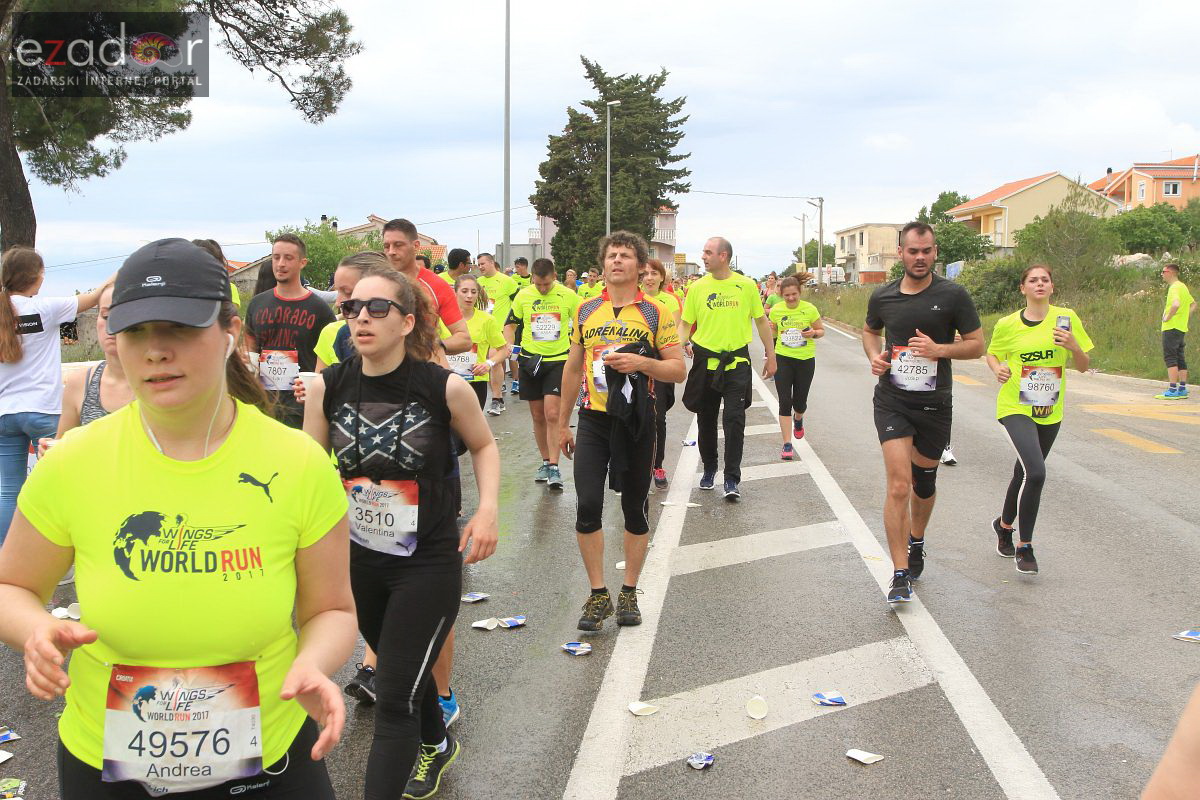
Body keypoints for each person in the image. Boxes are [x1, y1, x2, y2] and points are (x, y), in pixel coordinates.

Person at [0, 238, 355, 798]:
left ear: (229, 333)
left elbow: (332, 609)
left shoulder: (297, 462)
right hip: (107, 762)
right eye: (136, 331)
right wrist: (36, 629)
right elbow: (12, 585)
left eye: (179, 328)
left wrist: (313, 663)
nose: (155, 351)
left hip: (269, 755)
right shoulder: (72, 461)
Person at [303, 264, 498, 800]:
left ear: (408, 322)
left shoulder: (446, 388)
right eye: (352, 309)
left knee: (393, 701)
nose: (361, 317)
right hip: (359, 560)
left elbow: (484, 445)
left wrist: (487, 512)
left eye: (377, 308)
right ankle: (437, 743)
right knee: (401, 669)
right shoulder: (329, 386)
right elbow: (311, 470)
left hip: (427, 560)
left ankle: (417, 756)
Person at [558, 232, 684, 631]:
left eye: (625, 256)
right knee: (587, 504)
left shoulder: (655, 313)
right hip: (594, 419)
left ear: (641, 266)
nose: (617, 261)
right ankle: (598, 594)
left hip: (636, 420)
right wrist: (562, 422)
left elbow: (677, 369)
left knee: (634, 506)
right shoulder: (585, 309)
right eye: (611, 255)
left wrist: (641, 364)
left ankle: (629, 589)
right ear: (603, 263)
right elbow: (573, 367)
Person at [863, 221, 983, 605]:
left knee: (923, 484)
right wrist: (875, 357)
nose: (920, 257)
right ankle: (899, 573)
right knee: (899, 485)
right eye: (913, 251)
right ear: (900, 253)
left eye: (926, 251)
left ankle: (917, 539)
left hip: (934, 404)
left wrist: (940, 350)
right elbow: (869, 331)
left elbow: (978, 346)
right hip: (892, 400)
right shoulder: (883, 297)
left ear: (935, 253)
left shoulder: (953, 295)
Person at [984, 265, 1091, 574]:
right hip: (1015, 407)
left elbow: (1084, 365)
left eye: (1045, 280)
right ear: (1023, 288)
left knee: (1024, 473)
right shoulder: (1007, 324)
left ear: (1052, 287)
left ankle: (1003, 526)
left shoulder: (1066, 318)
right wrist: (997, 369)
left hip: (1049, 411)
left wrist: (1073, 346)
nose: (1040, 284)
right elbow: (993, 353)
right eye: (1033, 280)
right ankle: (1025, 546)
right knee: (1037, 472)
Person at [0, 247, 108, 544]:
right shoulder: (45, 308)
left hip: (4, 413)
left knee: (8, 490)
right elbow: (96, 297)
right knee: (57, 483)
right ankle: (55, 554)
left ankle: (6, 558)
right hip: (43, 411)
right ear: (37, 276)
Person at [679, 237, 777, 500]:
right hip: (705, 362)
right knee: (706, 419)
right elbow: (685, 323)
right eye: (703, 252)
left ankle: (732, 478)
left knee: (734, 420)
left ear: (724, 256)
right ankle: (709, 468)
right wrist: (678, 346)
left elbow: (762, 322)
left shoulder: (745, 286)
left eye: (708, 252)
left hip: (737, 363)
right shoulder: (697, 288)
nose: (703, 256)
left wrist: (771, 354)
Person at [243, 234, 338, 428]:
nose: (280, 264)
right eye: (276, 257)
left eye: (288, 258)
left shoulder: (319, 309)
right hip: (263, 404)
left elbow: (330, 359)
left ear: (302, 262)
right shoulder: (257, 304)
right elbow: (249, 351)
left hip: (302, 407)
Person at [505, 258, 579, 490]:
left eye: (546, 284)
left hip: (557, 361)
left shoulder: (568, 296)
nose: (543, 289)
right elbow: (510, 324)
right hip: (530, 361)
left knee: (552, 413)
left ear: (554, 276)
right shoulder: (524, 295)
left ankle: (555, 467)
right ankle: (545, 461)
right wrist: (510, 346)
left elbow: (582, 325)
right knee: (537, 415)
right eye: (538, 285)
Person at [382, 219, 471, 356]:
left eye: (398, 245)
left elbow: (464, 339)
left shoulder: (437, 285)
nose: (391, 251)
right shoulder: (373, 283)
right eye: (387, 246)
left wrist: (431, 347)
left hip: (422, 370)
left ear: (416, 246)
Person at [768, 275, 823, 459]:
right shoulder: (776, 309)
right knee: (784, 402)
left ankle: (798, 419)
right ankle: (787, 444)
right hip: (783, 358)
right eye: (787, 295)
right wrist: (771, 328)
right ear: (781, 294)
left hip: (805, 360)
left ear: (800, 293)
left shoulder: (809, 309)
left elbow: (821, 330)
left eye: (794, 295)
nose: (790, 298)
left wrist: (813, 333)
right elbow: (774, 331)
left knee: (800, 402)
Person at [641, 258, 682, 489]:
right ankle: (634, 464)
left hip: (661, 362)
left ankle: (657, 465)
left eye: (653, 273)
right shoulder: (634, 298)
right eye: (645, 273)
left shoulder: (670, 300)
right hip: (635, 363)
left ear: (661, 277)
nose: (649, 278)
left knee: (658, 417)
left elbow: (671, 334)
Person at [313, 252, 390, 371]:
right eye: (338, 291)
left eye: (348, 292)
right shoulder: (340, 334)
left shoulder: (415, 342)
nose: (338, 303)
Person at [450, 275, 509, 412]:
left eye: (473, 292)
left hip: (476, 382)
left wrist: (488, 364)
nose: (469, 296)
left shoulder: (487, 320)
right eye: (464, 291)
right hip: (447, 382)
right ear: (455, 292)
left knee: (469, 430)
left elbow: (503, 350)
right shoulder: (442, 318)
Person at [475, 253, 519, 402]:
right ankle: (497, 389)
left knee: (494, 358)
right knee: (486, 361)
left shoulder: (507, 281)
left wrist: (513, 324)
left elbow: (517, 304)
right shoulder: (478, 282)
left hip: (500, 328)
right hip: (482, 329)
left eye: (483, 263)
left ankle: (497, 398)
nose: (480, 267)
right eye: (478, 264)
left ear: (492, 263)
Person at [1156, 262, 1195, 399]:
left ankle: (1172, 389)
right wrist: (1186, 316)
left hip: (1171, 327)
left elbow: (1176, 304)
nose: (1162, 274)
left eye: (1163, 271)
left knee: (1170, 356)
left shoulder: (1174, 288)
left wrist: (1167, 317)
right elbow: (1193, 304)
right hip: (1180, 327)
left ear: (1171, 272)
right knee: (1180, 356)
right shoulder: (1183, 287)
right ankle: (1182, 388)